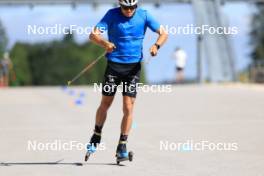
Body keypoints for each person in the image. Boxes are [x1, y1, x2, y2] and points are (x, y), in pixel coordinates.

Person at [86, 0, 168, 162]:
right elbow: (93, 35)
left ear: (137, 6)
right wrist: (105, 43)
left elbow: (163, 33)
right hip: (114, 66)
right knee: (106, 104)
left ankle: (122, 144)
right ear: (120, 6)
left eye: (132, 7)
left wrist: (156, 46)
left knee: (128, 107)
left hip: (133, 68)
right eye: (125, 7)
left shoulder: (144, 15)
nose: (129, 10)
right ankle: (96, 133)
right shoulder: (111, 14)